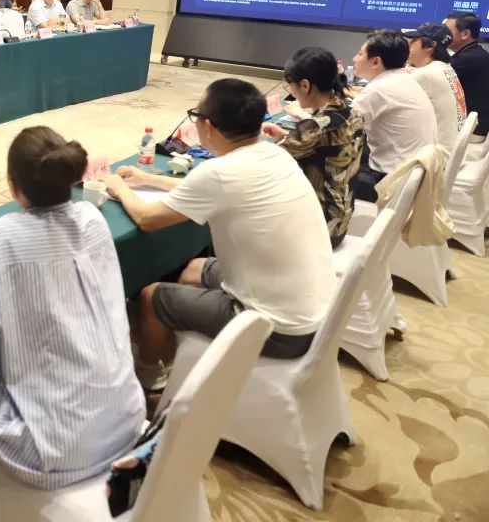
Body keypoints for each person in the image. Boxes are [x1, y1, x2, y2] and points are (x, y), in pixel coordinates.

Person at [0, 125, 146, 492]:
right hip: (128, 422)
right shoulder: (92, 218)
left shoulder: (1, 238)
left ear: (13, 186)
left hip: (51, 454)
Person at [104, 79, 335, 388]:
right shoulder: (273, 154)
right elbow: (210, 191)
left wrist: (118, 188)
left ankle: (148, 376)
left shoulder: (219, 173)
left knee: (150, 296)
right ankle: (176, 346)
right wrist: (149, 179)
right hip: (317, 313)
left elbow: (147, 219)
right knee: (193, 269)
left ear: (208, 126)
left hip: (277, 330)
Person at [261, 47, 365, 247]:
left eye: (290, 85)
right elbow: (323, 147)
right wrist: (285, 137)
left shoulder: (316, 127)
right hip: (340, 221)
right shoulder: (353, 114)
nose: (291, 91)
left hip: (318, 230)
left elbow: (269, 164)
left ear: (305, 85)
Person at [349, 30, 436, 202]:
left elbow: (338, 131)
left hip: (388, 181)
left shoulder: (378, 90)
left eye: (359, 54)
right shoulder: (404, 79)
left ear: (376, 61)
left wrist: (301, 113)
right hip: (412, 175)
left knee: (316, 168)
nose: (354, 58)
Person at [403, 23, 467, 152]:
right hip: (451, 151)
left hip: (435, 157)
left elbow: (386, 97)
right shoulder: (445, 67)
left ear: (430, 47)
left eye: (414, 40)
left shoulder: (424, 74)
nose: (409, 44)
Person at [444, 12, 488, 143]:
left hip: (470, 131)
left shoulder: (465, 60)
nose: (442, 35)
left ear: (465, 34)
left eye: (446, 31)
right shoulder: (477, 53)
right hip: (477, 126)